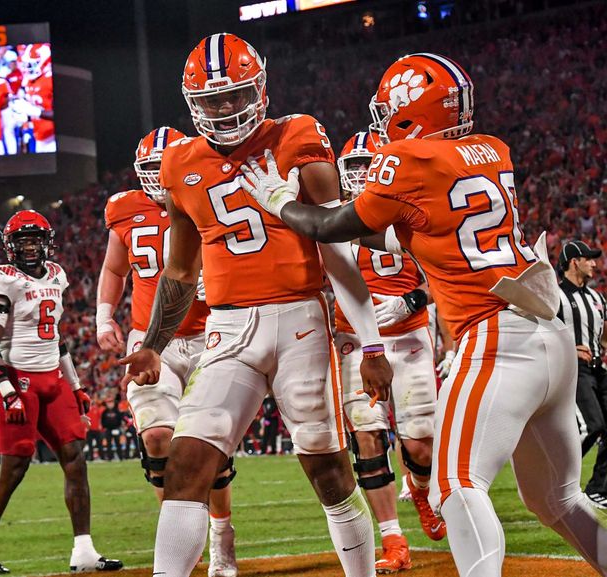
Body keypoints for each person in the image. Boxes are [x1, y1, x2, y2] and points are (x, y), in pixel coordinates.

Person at [241, 52, 607, 576]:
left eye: (391, 111)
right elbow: (416, 228)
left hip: (496, 338)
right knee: (558, 499)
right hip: (547, 333)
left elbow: (331, 227)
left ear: (413, 113)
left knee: (455, 486)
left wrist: (280, 202)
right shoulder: (492, 150)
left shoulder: (409, 161)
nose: (384, 122)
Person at [120, 33, 393, 577]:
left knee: (330, 472)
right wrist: (152, 344)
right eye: (211, 100)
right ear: (192, 103)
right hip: (229, 326)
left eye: (233, 96)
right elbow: (180, 270)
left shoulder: (298, 136)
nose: (223, 110)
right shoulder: (178, 161)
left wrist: (371, 343)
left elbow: (337, 249)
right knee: (187, 465)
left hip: (301, 322)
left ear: (260, 89)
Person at [97, 126, 238, 576]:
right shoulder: (124, 208)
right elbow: (113, 268)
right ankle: (177, 545)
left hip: (209, 335)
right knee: (157, 438)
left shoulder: (207, 190)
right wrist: (103, 316)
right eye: (149, 170)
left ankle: (221, 535)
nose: (157, 178)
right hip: (149, 338)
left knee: (207, 450)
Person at [0, 210, 121, 574]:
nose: (29, 247)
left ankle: (84, 551)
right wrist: (6, 390)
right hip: (17, 379)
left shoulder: (57, 274)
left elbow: (56, 338)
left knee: (76, 458)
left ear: (47, 242)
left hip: (53, 379)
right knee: (15, 467)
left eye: (35, 240)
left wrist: (75, 384)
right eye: (22, 240)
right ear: (10, 246)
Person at [334, 131, 444, 573]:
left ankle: (420, 488)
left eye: (368, 163)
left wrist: (413, 300)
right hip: (354, 342)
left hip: (410, 334)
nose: (361, 174)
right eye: (353, 165)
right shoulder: (331, 218)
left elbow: (451, 275)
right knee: (368, 435)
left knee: (422, 444)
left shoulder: (413, 212)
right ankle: (393, 539)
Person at [556, 241, 607, 507]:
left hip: (599, 367)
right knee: (592, 426)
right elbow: (537, 334)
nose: (595, 264)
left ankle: (598, 489)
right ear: (574, 261)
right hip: (573, 369)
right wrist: (566, 347)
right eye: (589, 259)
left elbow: (604, 332)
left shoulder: (597, 298)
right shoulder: (553, 296)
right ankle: (555, 479)